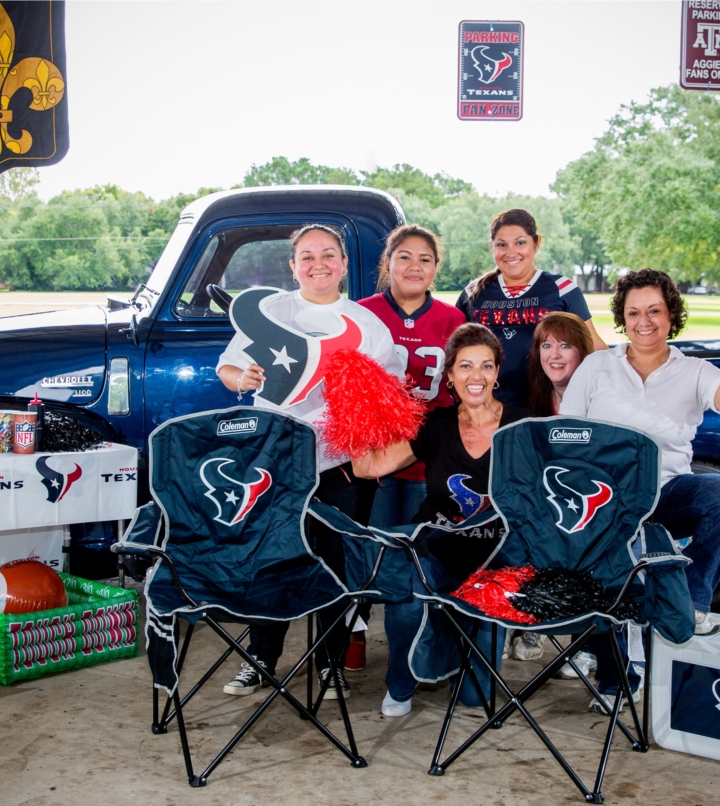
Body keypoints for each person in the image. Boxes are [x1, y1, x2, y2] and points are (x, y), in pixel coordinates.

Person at [215, 223, 405, 699]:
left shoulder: (367, 326)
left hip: (338, 465)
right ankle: (260, 658)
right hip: (273, 459)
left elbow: (389, 395)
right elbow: (227, 367)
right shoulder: (270, 310)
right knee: (270, 560)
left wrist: (362, 401)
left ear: (343, 264)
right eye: (306, 256)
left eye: (328, 255)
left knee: (336, 564)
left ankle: (329, 662)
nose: (317, 264)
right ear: (293, 265)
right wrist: (245, 378)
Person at [559, 268, 720, 712]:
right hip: (603, 499)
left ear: (672, 314)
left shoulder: (692, 371)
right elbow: (565, 434)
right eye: (633, 312)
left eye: (654, 310)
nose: (643, 321)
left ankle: (687, 604)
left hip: (667, 493)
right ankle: (617, 679)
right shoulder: (598, 366)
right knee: (613, 568)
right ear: (622, 317)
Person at [353, 323, 530, 717]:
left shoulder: (523, 424)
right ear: (449, 375)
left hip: (493, 561)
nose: (476, 376)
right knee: (407, 594)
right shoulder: (435, 425)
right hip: (435, 547)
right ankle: (400, 682)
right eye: (465, 366)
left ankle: (454, 639)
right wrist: (357, 412)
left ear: (498, 372)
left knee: (473, 698)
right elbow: (370, 467)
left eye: (486, 366)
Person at [349, 225, 465, 671]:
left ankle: (419, 650)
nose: (414, 266)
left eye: (425, 259)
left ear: (436, 268)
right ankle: (355, 633)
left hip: (426, 459)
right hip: (374, 455)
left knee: (420, 557)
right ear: (388, 263)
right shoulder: (361, 313)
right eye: (404, 257)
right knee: (370, 553)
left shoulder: (453, 321)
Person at [504, 311, 600, 666]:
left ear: (582, 353)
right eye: (547, 345)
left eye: (565, 345)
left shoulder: (600, 400)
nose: (555, 354)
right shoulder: (531, 403)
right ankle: (529, 621)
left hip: (588, 502)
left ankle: (586, 643)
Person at [456, 208, 607, 406]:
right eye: (502, 244)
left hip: (545, 405)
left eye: (520, 242)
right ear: (491, 247)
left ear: (537, 243)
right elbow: (452, 351)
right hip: (485, 406)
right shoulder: (473, 292)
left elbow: (593, 347)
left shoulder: (562, 288)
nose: (511, 253)